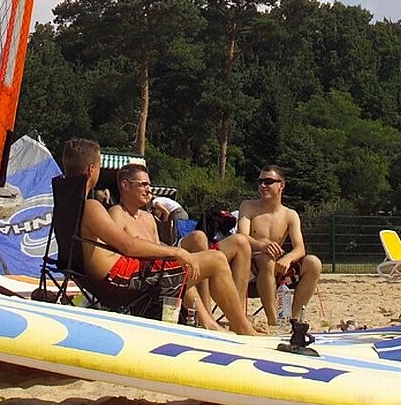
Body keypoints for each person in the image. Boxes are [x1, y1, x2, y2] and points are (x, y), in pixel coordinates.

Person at [60, 138, 259, 335]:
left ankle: (216, 323)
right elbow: (128, 245)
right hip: (122, 280)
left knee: (198, 257)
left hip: (113, 278)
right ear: (92, 170)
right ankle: (242, 329)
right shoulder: (91, 206)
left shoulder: (68, 204)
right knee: (216, 260)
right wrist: (176, 251)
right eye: (100, 166)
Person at [109, 163, 224, 330]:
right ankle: (228, 325)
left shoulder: (148, 219)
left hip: (159, 275)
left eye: (149, 184)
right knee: (216, 259)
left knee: (189, 264)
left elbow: (157, 251)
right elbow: (122, 250)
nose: (149, 190)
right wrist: (176, 253)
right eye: (143, 184)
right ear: (125, 185)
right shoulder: (116, 214)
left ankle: (211, 321)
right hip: (140, 280)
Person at [237, 165, 321, 327]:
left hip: (278, 270)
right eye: (260, 181)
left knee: (313, 263)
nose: (262, 186)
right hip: (250, 269)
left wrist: (288, 258)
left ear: (281, 185)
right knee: (266, 259)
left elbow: (300, 248)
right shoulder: (249, 206)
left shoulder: (290, 215)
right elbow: (242, 236)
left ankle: (292, 319)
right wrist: (262, 246)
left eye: (268, 182)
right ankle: (273, 319)